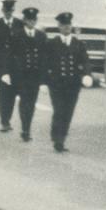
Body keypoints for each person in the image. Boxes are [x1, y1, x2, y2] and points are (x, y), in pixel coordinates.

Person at [41, 11, 89, 153]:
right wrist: (43, 82)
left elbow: (85, 61)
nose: (66, 27)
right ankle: (57, 138)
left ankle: (62, 137)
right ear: (59, 26)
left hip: (72, 85)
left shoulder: (78, 44)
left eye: (68, 25)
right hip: (56, 84)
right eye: (63, 25)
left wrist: (86, 75)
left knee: (68, 112)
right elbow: (44, 63)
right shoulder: (51, 43)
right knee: (59, 110)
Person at [1, 5, 47, 142]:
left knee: (30, 103)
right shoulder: (16, 34)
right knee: (23, 101)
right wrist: (6, 72)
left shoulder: (41, 36)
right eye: (29, 20)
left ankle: (26, 128)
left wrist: (44, 79)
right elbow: (8, 55)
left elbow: (44, 58)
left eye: (34, 20)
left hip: (34, 75)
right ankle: (23, 128)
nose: (32, 22)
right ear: (24, 20)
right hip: (19, 75)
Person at [0, 0, 22, 132]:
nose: (8, 13)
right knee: (4, 93)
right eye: (6, 11)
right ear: (2, 11)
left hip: (16, 66)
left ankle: (8, 118)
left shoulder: (19, 24)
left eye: (10, 11)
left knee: (13, 93)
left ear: (13, 11)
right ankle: (5, 121)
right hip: (1, 65)